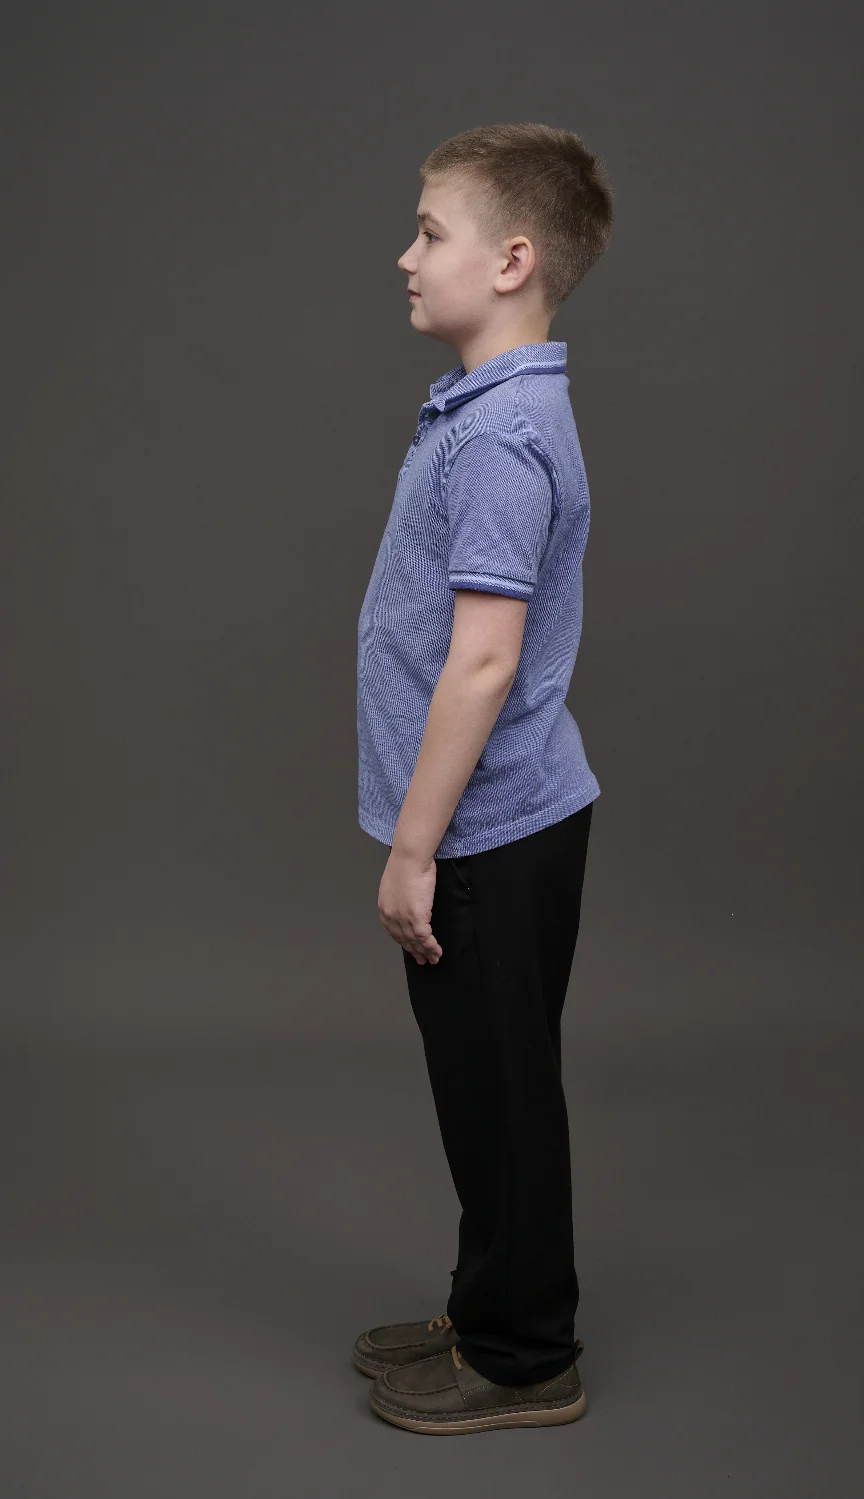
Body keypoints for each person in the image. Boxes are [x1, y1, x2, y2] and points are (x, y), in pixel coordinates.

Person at [353, 121, 614, 1435]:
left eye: (429, 232)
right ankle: (487, 1299)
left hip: (488, 831)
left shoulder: (503, 434)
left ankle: (525, 1354)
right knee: (482, 1086)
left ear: (512, 261)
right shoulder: (487, 409)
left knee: (502, 1094)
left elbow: (484, 659)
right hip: (491, 822)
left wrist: (414, 850)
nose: (406, 257)